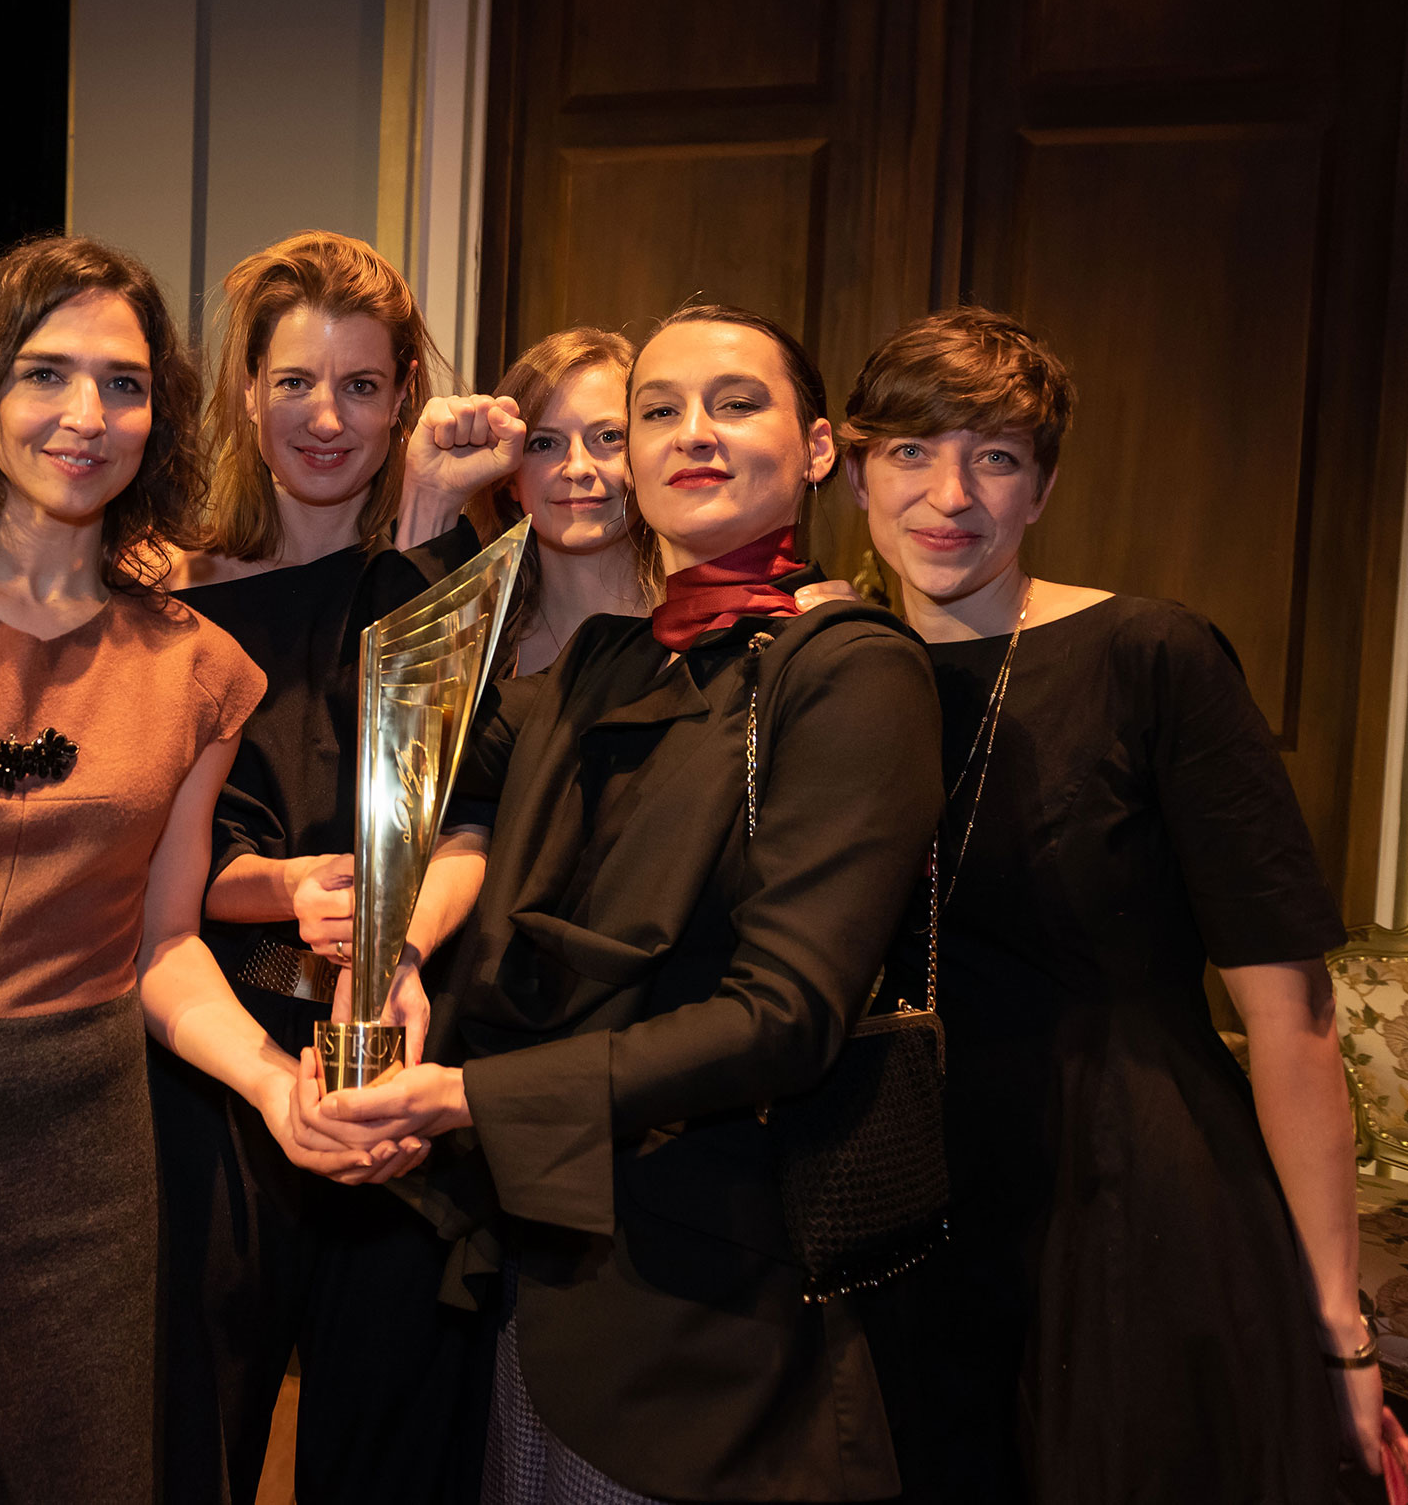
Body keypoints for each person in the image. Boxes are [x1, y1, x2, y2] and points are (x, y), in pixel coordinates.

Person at [0, 235, 411, 1503]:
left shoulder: (200, 666)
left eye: (124, 383)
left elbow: (165, 949)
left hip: (87, 1168)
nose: (86, 415)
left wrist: (278, 1088)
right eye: (46, 373)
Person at [305, 302, 943, 1502]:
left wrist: (463, 1095)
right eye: (658, 411)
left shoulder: (849, 668)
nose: (691, 432)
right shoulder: (608, 657)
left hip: (713, 1314)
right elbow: (415, 762)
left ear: (816, 448)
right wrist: (389, 954)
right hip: (549, 1266)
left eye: (734, 403)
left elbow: (784, 1017)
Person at [835, 306, 1385, 1501]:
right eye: (912, 450)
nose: (949, 494)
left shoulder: (1152, 654)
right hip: (903, 1203)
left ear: (1040, 488)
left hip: (1130, 1197)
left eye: (995, 457)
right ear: (854, 470)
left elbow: (1290, 1015)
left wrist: (1338, 1327)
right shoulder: (824, 668)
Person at [155, 230, 498, 1505]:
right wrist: (288, 890)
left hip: (400, 1038)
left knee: (390, 1447)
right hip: (219, 1041)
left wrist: (393, 938)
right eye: (295, 381)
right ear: (246, 390)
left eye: (360, 385)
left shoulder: (446, 576)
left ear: (403, 396)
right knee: (192, 1431)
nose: (325, 417)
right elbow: (156, 859)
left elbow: (474, 819)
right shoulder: (167, 588)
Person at [469, 327, 650, 676]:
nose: (578, 468)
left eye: (608, 437)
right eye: (544, 444)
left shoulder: (712, 633)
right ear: (509, 477)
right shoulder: (473, 649)